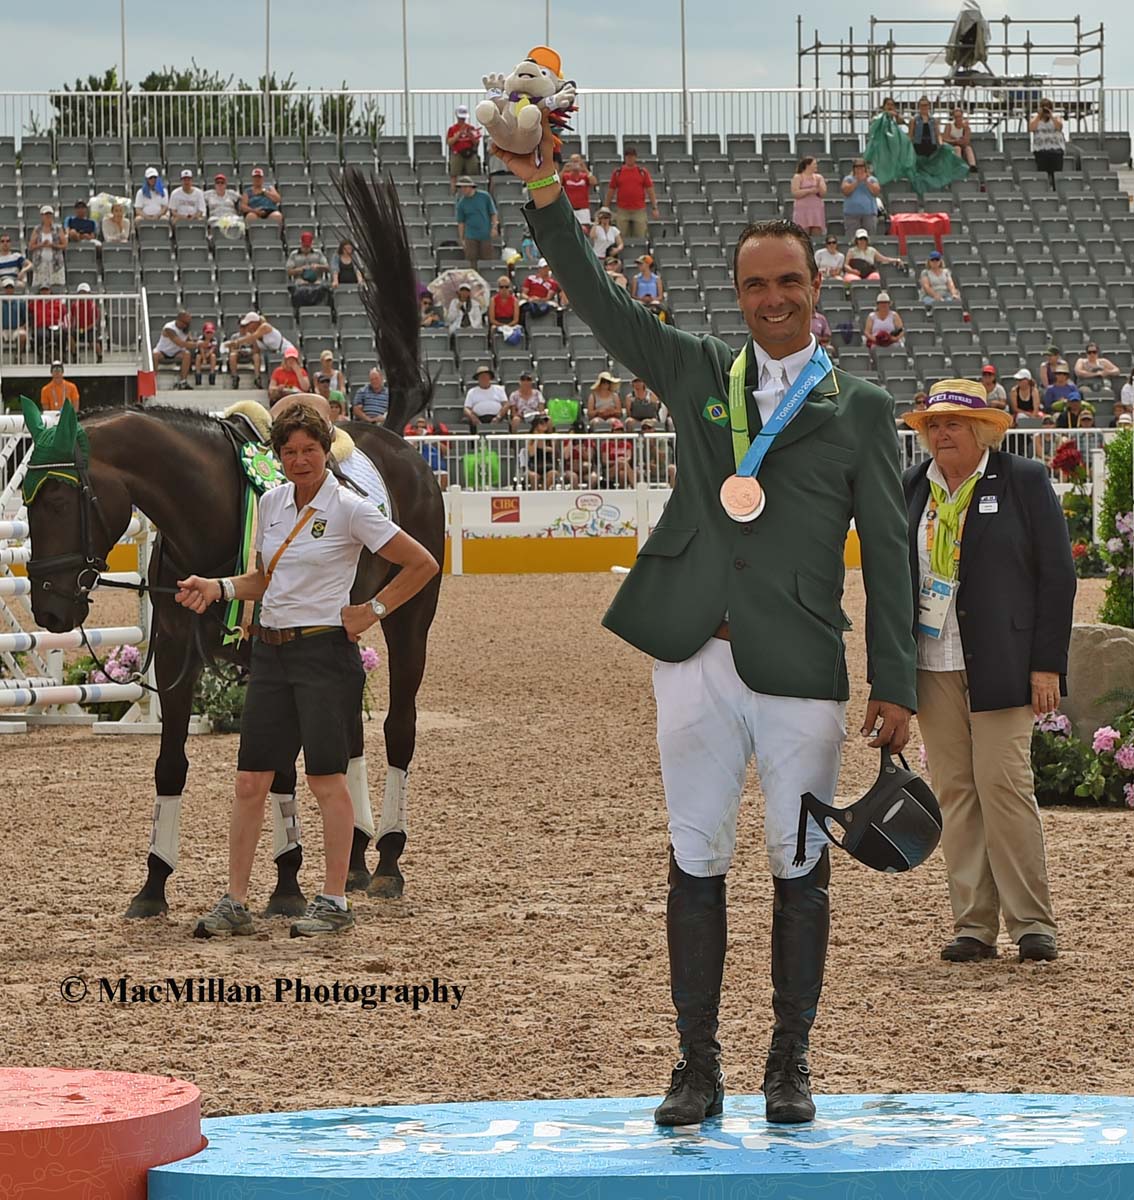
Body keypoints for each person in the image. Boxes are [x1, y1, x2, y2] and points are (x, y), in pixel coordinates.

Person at [494, 123, 915, 1128]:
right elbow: (598, 302)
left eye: (790, 283)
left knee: (799, 863)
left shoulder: (860, 409)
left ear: (818, 288)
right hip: (692, 655)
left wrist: (895, 680)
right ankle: (695, 1067)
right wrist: (546, 191)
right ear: (738, 296)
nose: (774, 300)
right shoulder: (695, 372)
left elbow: (891, 552)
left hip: (803, 666)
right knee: (695, 854)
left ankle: (789, 1064)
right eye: (756, 286)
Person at [178, 400, 439, 940]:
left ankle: (335, 900)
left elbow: (421, 563)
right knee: (250, 781)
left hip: (324, 655)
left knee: (325, 779)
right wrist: (217, 587)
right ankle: (235, 902)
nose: (300, 460)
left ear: (326, 451)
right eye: (290, 452)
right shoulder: (271, 504)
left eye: (309, 451)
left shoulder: (350, 507)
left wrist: (374, 610)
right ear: (278, 456)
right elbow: (260, 580)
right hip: (271, 655)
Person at [901, 378, 1074, 965]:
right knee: (955, 792)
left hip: (1005, 662)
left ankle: (1031, 922)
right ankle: (974, 923)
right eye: (933, 424)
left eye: (952, 423)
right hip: (933, 661)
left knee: (1005, 787)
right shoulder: (910, 489)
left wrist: (1047, 664)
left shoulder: (1021, 481)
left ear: (982, 430)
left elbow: (1057, 576)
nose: (941, 432)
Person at [226, 312, 295, 389]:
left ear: (254, 323)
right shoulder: (255, 335)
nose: (247, 327)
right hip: (275, 355)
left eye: (248, 324)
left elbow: (252, 337)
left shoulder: (265, 327)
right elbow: (256, 349)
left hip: (287, 350)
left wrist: (236, 342)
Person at [604, 146, 659, 239]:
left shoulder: (642, 172)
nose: (630, 158)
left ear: (635, 157)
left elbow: (650, 190)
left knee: (641, 237)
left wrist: (654, 207)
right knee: (621, 237)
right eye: (628, 156)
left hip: (639, 210)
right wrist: (606, 207)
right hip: (622, 210)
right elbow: (611, 190)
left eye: (632, 156)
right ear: (625, 158)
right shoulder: (618, 172)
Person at [454, 176, 498, 270]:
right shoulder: (461, 203)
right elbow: (461, 222)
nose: (463, 190)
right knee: (471, 261)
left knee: (487, 261)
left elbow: (493, 213)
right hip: (470, 236)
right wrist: (462, 238)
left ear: (471, 187)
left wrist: (494, 227)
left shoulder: (484, 196)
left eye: (465, 187)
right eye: (461, 187)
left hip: (485, 234)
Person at [153, 310, 199, 391]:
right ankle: (152, 380)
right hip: (163, 352)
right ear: (178, 320)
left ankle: (183, 381)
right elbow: (180, 343)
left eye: (187, 323)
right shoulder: (169, 328)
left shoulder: (186, 329)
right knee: (155, 354)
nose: (186, 325)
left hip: (177, 352)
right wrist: (197, 344)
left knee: (187, 354)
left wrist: (197, 342)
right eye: (184, 323)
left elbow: (189, 340)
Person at [286, 231, 330, 308]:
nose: (306, 248)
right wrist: (300, 269)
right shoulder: (294, 255)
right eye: (304, 246)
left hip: (317, 281)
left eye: (308, 247)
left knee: (324, 289)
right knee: (298, 290)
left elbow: (327, 268)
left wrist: (318, 266)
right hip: (300, 281)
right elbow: (289, 272)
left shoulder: (318, 253)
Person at [840, 158, 882, 237]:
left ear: (865, 168)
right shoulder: (848, 179)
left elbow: (876, 192)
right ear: (854, 168)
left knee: (870, 237)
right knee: (851, 238)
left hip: (869, 214)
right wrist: (857, 181)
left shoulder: (872, 179)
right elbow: (845, 191)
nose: (859, 169)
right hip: (851, 215)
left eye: (862, 166)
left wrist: (866, 181)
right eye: (857, 167)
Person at [1029, 99, 1065, 190]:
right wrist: (1039, 115)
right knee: (1043, 176)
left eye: (1048, 108)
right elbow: (1031, 128)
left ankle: (1056, 194)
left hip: (1056, 151)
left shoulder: (1056, 118)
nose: (1046, 111)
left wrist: (1051, 116)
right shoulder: (1035, 118)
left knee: (1056, 177)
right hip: (1041, 151)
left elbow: (1059, 127)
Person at [406, 414, 450, 489]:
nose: (420, 429)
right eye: (417, 427)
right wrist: (417, 440)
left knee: (443, 473)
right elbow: (408, 452)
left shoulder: (433, 438)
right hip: (418, 465)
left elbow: (446, 452)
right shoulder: (410, 438)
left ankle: (441, 493)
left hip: (435, 464)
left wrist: (431, 439)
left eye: (423, 427)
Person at [29, 206, 67, 289]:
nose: (48, 217)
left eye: (50, 214)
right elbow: (31, 246)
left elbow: (64, 245)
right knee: (40, 286)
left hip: (55, 264)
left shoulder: (58, 229)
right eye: (46, 215)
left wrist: (53, 245)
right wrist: (42, 244)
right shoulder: (37, 229)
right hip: (40, 264)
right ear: (42, 216)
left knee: (56, 285)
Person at [447, 105, 482, 192]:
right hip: (457, 153)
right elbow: (449, 142)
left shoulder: (471, 128)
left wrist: (470, 135)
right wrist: (458, 134)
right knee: (454, 175)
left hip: (470, 153)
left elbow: (477, 143)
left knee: (473, 173)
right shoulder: (452, 129)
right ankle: (453, 192)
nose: (462, 120)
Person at [463, 364, 507, 429]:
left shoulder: (499, 389)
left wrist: (499, 417)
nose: (484, 379)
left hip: (497, 417)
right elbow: (466, 409)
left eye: (486, 376)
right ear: (478, 379)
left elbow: (506, 404)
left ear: (490, 378)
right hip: (478, 418)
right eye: (481, 377)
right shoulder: (472, 392)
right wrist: (473, 417)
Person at [790, 157, 827, 235]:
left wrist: (819, 186)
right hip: (802, 210)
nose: (816, 166)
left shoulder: (819, 177)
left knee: (817, 232)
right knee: (803, 234)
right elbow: (795, 193)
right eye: (814, 164)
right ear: (808, 165)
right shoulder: (798, 177)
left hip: (816, 209)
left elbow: (823, 193)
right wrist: (809, 191)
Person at [68, 281, 101, 363]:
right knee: (70, 337)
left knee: (93, 340)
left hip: (90, 328)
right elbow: (72, 318)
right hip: (78, 329)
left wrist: (86, 328)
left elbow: (96, 321)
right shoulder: (74, 305)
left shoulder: (93, 305)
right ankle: (75, 356)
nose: (83, 294)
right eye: (81, 292)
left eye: (85, 292)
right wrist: (73, 328)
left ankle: (99, 356)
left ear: (89, 293)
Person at [561, 154, 598, 227]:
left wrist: (586, 170)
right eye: (573, 162)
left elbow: (594, 182)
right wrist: (563, 170)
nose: (575, 164)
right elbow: (557, 183)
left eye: (577, 161)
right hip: (569, 209)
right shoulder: (565, 176)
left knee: (584, 230)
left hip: (583, 209)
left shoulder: (584, 176)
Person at [942, 106, 977, 171]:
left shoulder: (966, 128)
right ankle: (959, 166)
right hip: (951, 146)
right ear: (954, 118)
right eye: (956, 117)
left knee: (968, 148)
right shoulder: (949, 126)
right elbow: (944, 139)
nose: (958, 119)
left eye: (959, 116)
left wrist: (960, 140)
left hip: (961, 146)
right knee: (957, 148)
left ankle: (972, 166)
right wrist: (955, 141)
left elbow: (966, 141)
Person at [0, 278, 28, 356]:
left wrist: (23, 326)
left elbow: (26, 318)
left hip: (17, 329)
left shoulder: (20, 301)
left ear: (13, 289)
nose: (9, 290)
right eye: (7, 288)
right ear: (4, 289)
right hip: (3, 329)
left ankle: (18, 356)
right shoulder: (0, 302)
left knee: (22, 335)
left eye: (11, 288)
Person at [195, 320, 219, 386]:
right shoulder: (200, 338)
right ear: (204, 333)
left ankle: (212, 374)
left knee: (213, 356)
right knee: (198, 357)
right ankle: (198, 375)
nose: (209, 334)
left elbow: (212, 349)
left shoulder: (214, 340)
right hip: (201, 354)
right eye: (207, 332)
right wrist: (204, 358)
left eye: (210, 333)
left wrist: (207, 356)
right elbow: (201, 348)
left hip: (209, 354)